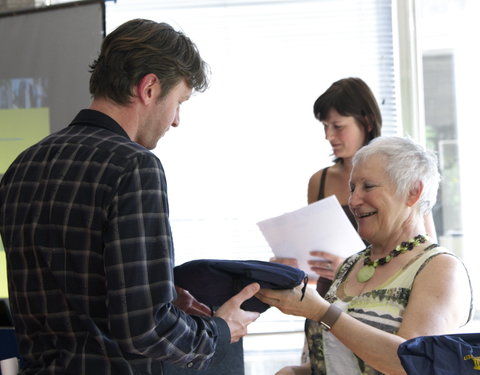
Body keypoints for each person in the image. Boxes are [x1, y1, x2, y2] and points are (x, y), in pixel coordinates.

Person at [0, 19, 260, 374]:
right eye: (179, 102)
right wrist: (219, 330)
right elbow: (145, 329)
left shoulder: (22, 166)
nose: (176, 121)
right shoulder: (135, 167)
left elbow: (75, 295)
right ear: (150, 88)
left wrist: (164, 299)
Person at [257, 136, 473, 375]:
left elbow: (414, 365)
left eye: (368, 186)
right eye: (352, 188)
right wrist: (296, 372)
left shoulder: (440, 268)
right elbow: (341, 361)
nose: (353, 200)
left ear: (413, 191)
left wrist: (322, 312)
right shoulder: (351, 263)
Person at [271, 77, 436, 283]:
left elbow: (426, 258)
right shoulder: (319, 181)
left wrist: (348, 269)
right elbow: (318, 268)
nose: (329, 136)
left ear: (366, 122)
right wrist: (294, 268)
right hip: (328, 302)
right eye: (325, 126)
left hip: (378, 304)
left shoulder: (403, 175)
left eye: (338, 126)